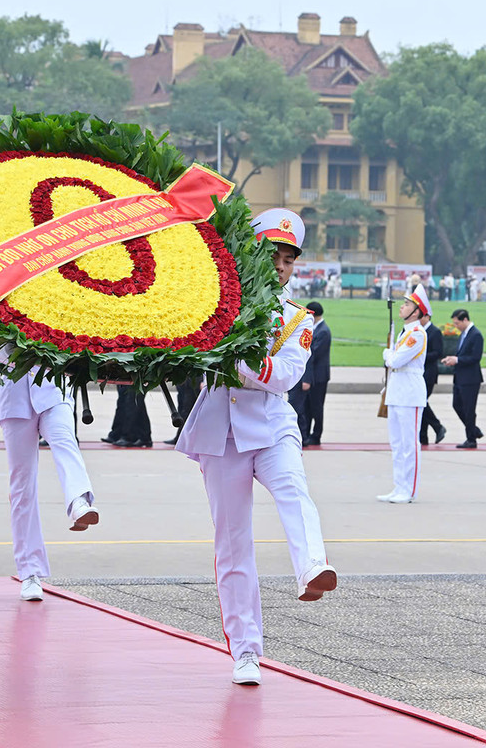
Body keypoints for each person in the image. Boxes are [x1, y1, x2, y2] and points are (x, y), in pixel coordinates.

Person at [177, 208, 337, 687]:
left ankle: (312, 566)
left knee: (293, 489)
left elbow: (285, 375)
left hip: (270, 424)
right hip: (220, 432)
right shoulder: (215, 299)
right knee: (232, 545)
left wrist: (236, 356)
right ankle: (246, 652)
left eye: (290, 258)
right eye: (273, 255)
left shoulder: (297, 319)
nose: (282, 265)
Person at [0, 368, 100, 601]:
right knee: (21, 486)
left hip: (54, 387)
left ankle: (79, 501)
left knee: (65, 440)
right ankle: (30, 572)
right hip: (15, 396)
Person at [379, 284, 430, 503]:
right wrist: (390, 355)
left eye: (407, 304)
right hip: (397, 390)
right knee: (397, 444)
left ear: (417, 311)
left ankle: (409, 490)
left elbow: (396, 360)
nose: (402, 307)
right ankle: (399, 486)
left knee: (410, 445)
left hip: (410, 392)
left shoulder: (417, 334)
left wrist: (388, 354)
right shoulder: (405, 333)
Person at [288, 301, 330, 447]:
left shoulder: (323, 331)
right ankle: (305, 435)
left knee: (317, 407)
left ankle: (316, 435)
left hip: (318, 377)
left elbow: (313, 354)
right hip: (310, 375)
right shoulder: (315, 329)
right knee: (306, 407)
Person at [441, 308, 484, 449]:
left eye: (457, 323)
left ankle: (471, 439)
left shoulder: (476, 335)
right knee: (457, 405)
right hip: (460, 377)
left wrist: (457, 360)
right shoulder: (464, 334)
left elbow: (475, 357)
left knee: (469, 409)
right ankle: (474, 430)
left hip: (470, 379)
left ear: (465, 320)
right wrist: (452, 359)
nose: (456, 326)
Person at [419, 310, 447, 445]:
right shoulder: (418, 331)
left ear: (427, 316)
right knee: (420, 403)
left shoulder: (434, 332)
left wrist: (420, 357)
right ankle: (423, 436)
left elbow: (438, 352)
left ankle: (438, 426)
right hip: (419, 373)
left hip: (429, 373)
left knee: (421, 401)